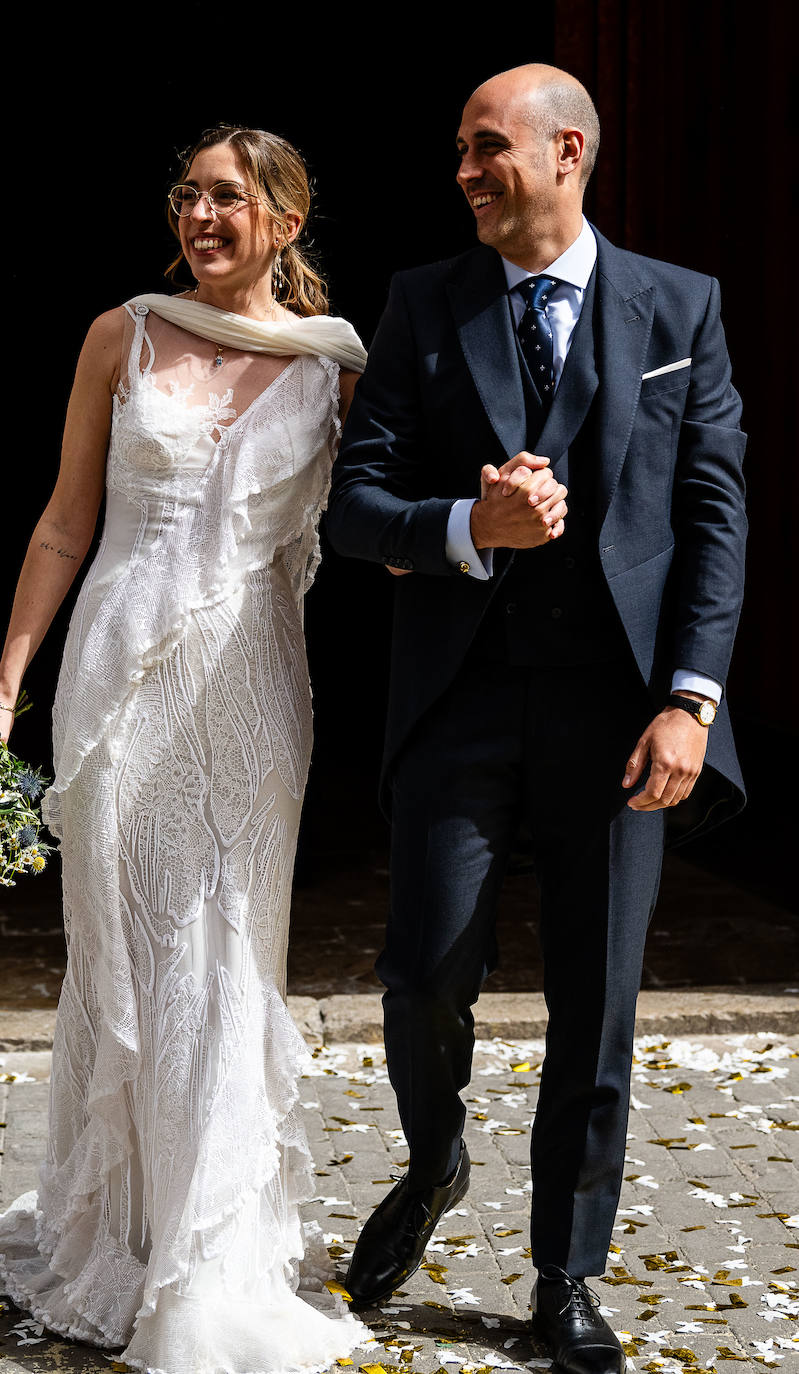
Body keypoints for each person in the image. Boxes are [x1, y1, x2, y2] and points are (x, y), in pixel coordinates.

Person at [324, 64, 746, 1374]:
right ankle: (434, 1150)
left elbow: (710, 517)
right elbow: (352, 506)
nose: (461, 171)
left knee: (595, 1004)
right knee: (422, 970)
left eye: (483, 148)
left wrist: (687, 698)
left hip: (621, 718)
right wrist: (465, 525)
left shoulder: (681, 306)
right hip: (459, 703)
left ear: (565, 151)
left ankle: (564, 1274)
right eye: (457, 149)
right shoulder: (419, 304)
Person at [0, 127, 369, 1374]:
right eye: (187, 195)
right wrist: (3, 690)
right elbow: (60, 523)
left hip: (248, 683)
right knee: (123, 950)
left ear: (285, 221)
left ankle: (210, 1260)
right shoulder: (122, 334)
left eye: (228, 198)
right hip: (115, 675)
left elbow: (381, 516)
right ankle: (125, 1234)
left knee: (217, 944)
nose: (201, 216)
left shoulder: (339, 365)